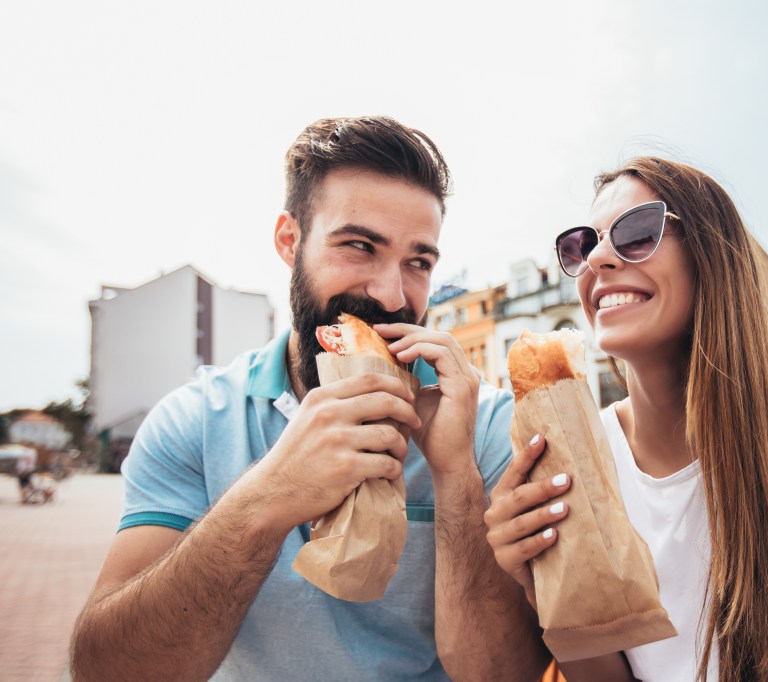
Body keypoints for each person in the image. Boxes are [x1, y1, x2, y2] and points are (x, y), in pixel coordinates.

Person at [71, 116, 548, 681]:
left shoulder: (487, 424)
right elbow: (106, 672)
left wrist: (455, 476)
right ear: (289, 241)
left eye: (418, 261)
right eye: (359, 246)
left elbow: (501, 676)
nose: (391, 294)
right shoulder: (194, 420)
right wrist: (271, 492)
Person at [485, 157, 768, 681]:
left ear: (711, 256)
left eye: (638, 232)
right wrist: (538, 579)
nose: (599, 260)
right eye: (583, 245)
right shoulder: (583, 457)